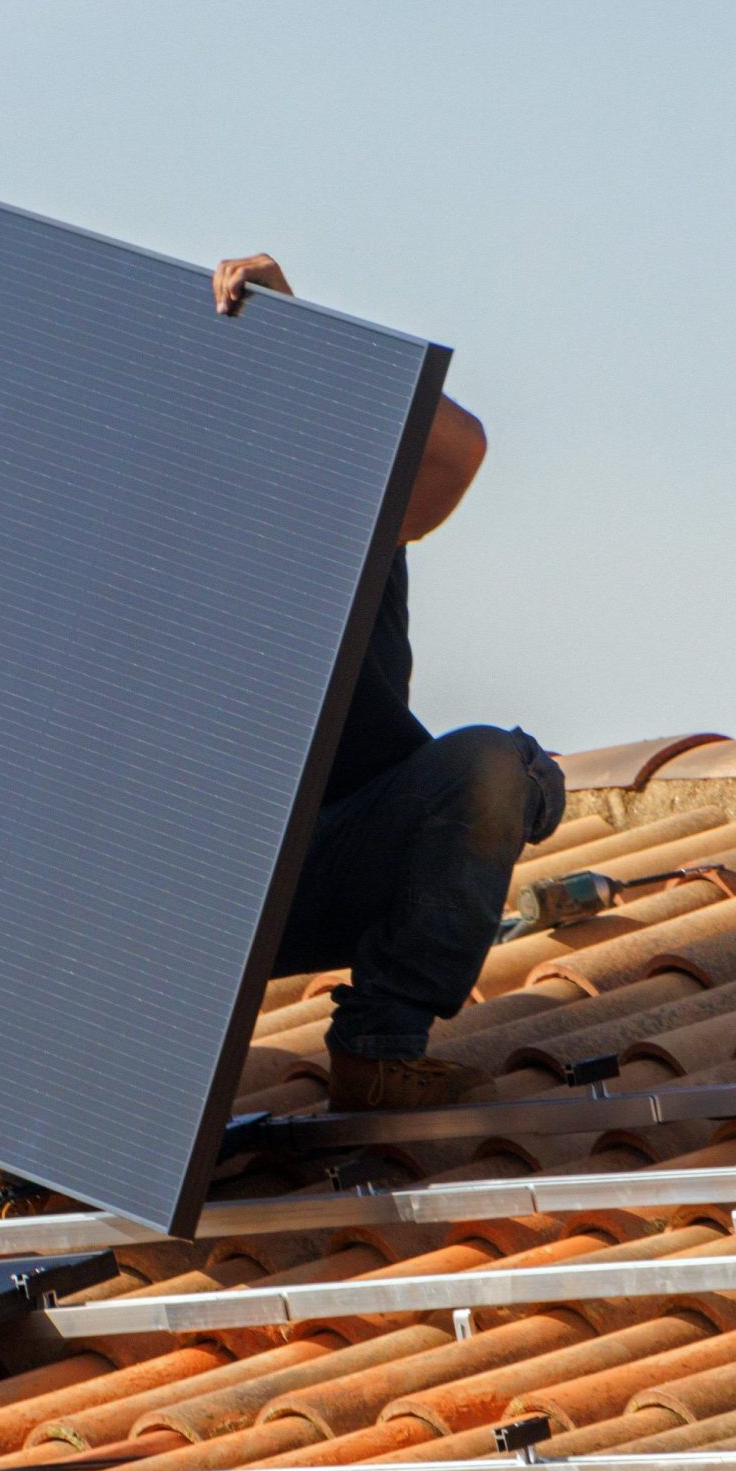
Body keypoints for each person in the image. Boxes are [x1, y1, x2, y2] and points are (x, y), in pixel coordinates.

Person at [214, 253, 567, 1113]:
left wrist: (305, 340)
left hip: (323, 863)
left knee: (495, 770)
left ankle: (377, 1048)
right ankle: (43, 1123)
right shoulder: (107, 584)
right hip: (175, 887)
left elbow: (457, 448)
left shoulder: (334, 512)